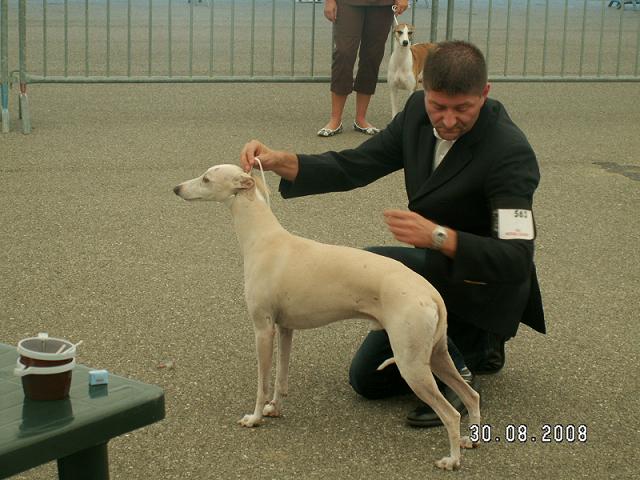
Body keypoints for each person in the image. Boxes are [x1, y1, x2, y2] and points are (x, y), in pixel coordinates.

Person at [240, 40, 545, 428]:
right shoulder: (416, 113)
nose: (448, 120)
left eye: (463, 108)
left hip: (485, 282)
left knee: (378, 262)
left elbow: (516, 259)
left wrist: (437, 235)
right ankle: (465, 345)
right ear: (421, 88)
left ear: (484, 94)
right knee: (367, 381)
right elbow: (356, 164)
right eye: (439, 106)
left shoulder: (510, 153)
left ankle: (475, 348)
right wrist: (284, 161)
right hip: (435, 271)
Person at [317, 0, 409, 137]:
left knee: (372, 56)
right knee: (344, 54)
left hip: (383, 5)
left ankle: (361, 119)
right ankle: (335, 119)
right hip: (347, 4)